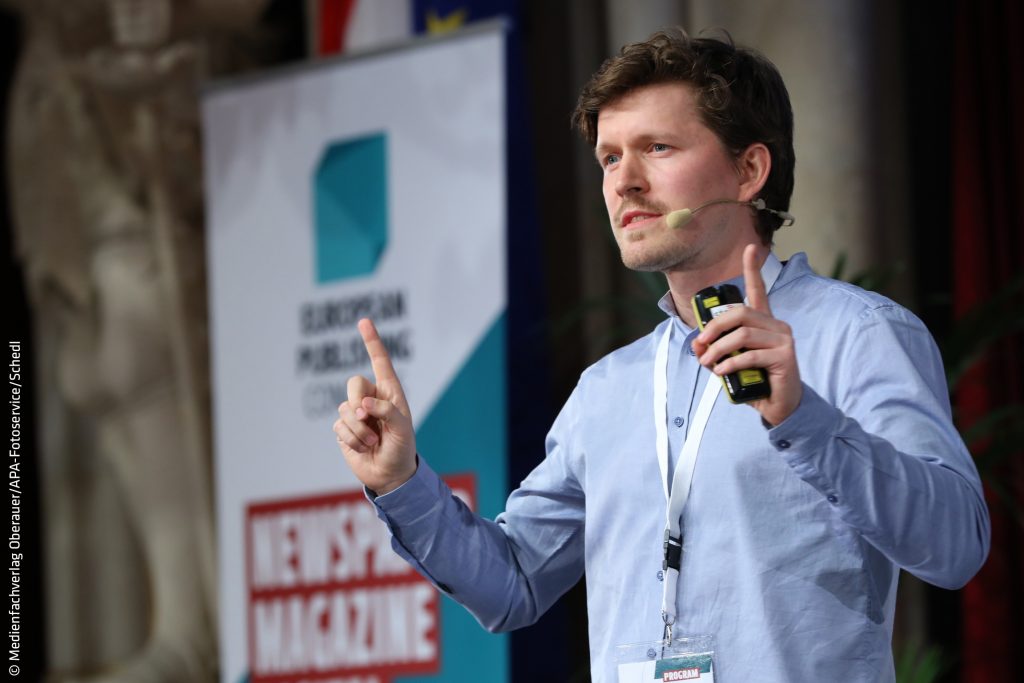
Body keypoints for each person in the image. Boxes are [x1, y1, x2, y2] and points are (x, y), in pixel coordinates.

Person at [334, 28, 990, 682]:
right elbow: (511, 583)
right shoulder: (607, 390)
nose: (625, 182)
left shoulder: (856, 333)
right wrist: (401, 480)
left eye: (657, 147)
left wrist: (802, 418)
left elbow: (956, 544)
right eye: (609, 158)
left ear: (749, 170)